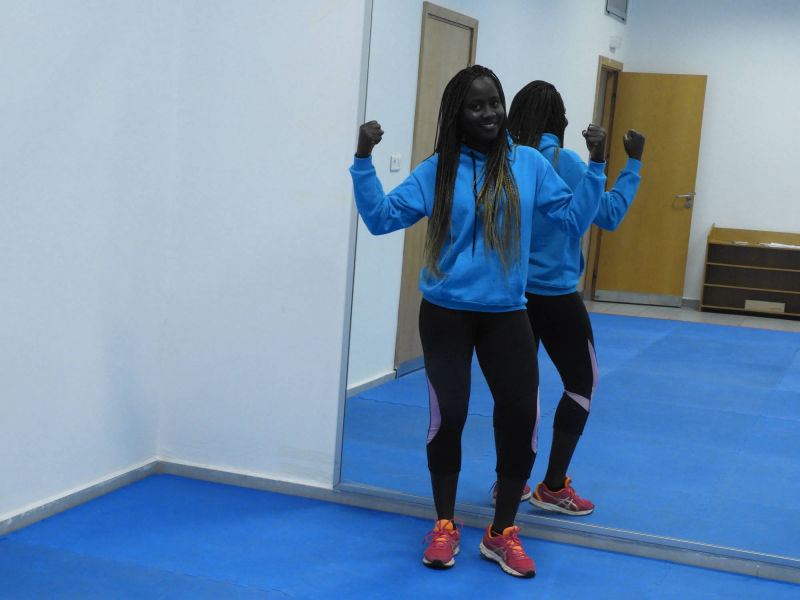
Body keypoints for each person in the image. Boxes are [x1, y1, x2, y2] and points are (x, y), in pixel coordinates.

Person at [349, 66, 607, 577]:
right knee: (449, 416)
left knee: (520, 419)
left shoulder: (529, 163)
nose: (488, 113)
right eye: (476, 105)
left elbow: (573, 220)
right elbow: (381, 218)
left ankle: (501, 532)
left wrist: (597, 165)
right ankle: (445, 525)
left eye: (494, 102)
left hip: (507, 313)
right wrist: (362, 160)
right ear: (457, 114)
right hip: (446, 313)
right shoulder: (439, 169)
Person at [504, 80, 645, 516]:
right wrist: (633, 162)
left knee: (518, 392)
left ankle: (509, 483)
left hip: (509, 298)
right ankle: (551, 486)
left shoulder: (503, 161)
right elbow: (609, 214)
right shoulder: (562, 162)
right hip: (555, 297)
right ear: (559, 121)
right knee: (582, 383)